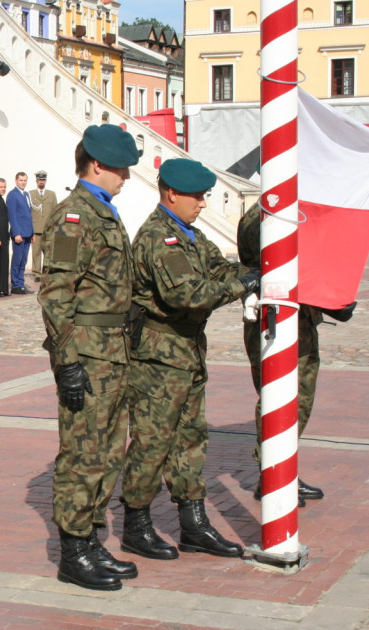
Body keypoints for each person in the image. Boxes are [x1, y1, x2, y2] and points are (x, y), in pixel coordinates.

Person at [120, 158, 259, 561]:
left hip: (187, 353)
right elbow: (189, 294)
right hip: (158, 360)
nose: (202, 204)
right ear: (172, 194)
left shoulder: (190, 236)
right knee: (153, 442)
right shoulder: (157, 238)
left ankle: (193, 523)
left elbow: (218, 268)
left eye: (205, 196)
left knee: (189, 440)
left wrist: (254, 270)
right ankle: (137, 524)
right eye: (197, 197)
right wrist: (243, 284)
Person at [38, 124, 142, 591]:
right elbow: (56, 294)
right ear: (97, 164)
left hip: (113, 353)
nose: (126, 176)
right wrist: (66, 361)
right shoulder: (73, 217)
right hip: (87, 352)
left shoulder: (103, 212)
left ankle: (92, 537)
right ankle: (72, 551)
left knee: (106, 450)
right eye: (121, 168)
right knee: (82, 451)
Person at [238, 202, 349, 506]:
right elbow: (279, 268)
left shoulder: (292, 211)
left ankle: (284, 470)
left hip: (300, 319)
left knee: (300, 400)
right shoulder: (267, 216)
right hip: (275, 319)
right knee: (279, 397)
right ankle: (272, 475)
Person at [7, 171, 34, 294]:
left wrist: (32, 233)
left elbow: (29, 215)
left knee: (24, 260)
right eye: (21, 180)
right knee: (17, 259)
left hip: (28, 232)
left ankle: (21, 283)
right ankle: (16, 284)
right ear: (16, 181)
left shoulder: (26, 194)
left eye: (24, 180)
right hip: (19, 233)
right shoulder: (13, 195)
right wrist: (16, 233)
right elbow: (12, 215)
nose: (23, 183)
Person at [28, 170, 57, 282]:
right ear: (36, 181)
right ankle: (36, 272)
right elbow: (28, 211)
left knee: (48, 252)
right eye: (40, 180)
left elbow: (55, 211)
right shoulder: (30, 194)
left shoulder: (51, 194)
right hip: (35, 228)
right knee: (36, 252)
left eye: (43, 180)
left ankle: (47, 272)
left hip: (48, 228)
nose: (41, 181)